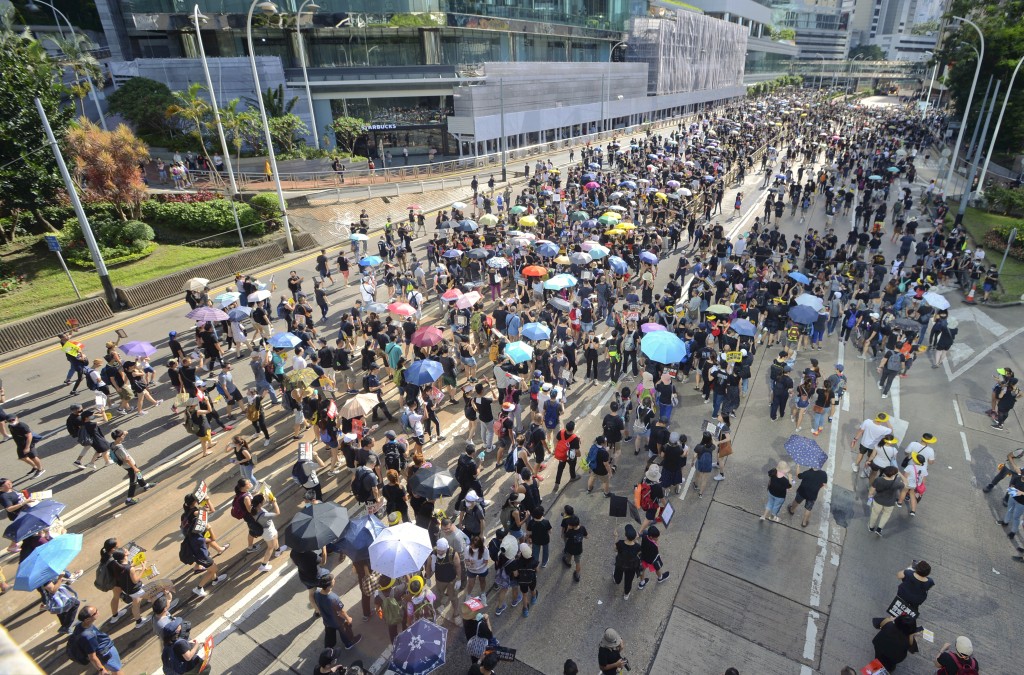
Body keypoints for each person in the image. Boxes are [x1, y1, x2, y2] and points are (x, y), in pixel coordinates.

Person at [68, 606, 125, 675]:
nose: (98, 612)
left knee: (109, 668)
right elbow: (92, 657)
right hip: (105, 653)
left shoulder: (80, 625)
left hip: (103, 652)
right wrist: (101, 669)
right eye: (95, 613)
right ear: (87, 619)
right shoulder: (88, 636)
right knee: (117, 670)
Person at [313, 573, 363, 650]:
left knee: (329, 635)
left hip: (327, 621)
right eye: (333, 580)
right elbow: (341, 611)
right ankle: (349, 643)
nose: (334, 580)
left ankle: (329, 648)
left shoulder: (316, 593)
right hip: (338, 621)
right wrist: (348, 618)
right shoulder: (333, 598)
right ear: (329, 585)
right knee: (344, 632)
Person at [110, 429, 154, 507]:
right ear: (117, 438)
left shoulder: (113, 444)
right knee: (133, 482)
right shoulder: (120, 448)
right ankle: (129, 500)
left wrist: (124, 433)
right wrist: (134, 468)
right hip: (130, 466)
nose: (123, 436)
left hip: (125, 465)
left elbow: (122, 434)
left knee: (138, 474)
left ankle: (145, 485)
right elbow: (127, 459)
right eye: (122, 436)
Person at [786, 464, 828, 528]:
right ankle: (804, 522)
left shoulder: (808, 472)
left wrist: (798, 467)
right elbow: (824, 484)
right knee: (808, 509)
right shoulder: (824, 474)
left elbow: (798, 476)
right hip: (812, 495)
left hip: (802, 491)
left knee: (796, 501)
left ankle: (792, 510)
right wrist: (818, 487)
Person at [867, 466, 904, 537]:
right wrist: (900, 473)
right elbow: (906, 483)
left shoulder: (878, 480)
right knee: (886, 515)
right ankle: (879, 529)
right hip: (890, 503)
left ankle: (871, 527)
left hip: (878, 500)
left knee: (874, 514)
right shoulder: (896, 483)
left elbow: (871, 491)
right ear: (894, 475)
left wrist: (870, 497)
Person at [612, 524, 642, 600]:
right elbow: (638, 554)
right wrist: (636, 541)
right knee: (628, 581)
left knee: (617, 576)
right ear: (635, 536)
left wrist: (615, 537)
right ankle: (626, 594)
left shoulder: (620, 543)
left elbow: (615, 549)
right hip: (631, 567)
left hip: (620, 564)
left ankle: (616, 580)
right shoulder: (637, 546)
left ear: (625, 535)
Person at [561, 508, 588, 583]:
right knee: (578, 562)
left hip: (570, 548)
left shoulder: (570, 532)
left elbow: (565, 536)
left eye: (569, 524)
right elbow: (587, 536)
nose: (568, 525)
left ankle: (568, 563)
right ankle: (577, 574)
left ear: (572, 526)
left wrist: (568, 529)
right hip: (579, 549)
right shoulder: (582, 528)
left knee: (568, 557)